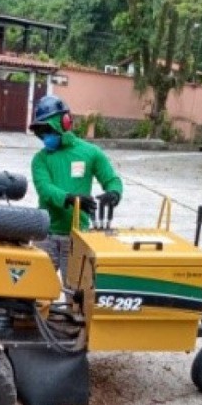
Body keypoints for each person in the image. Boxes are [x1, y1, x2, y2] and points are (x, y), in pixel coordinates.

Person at [29, 95, 123, 281]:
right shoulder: (40, 159)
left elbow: (112, 179)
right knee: (34, 292)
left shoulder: (90, 153)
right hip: (45, 235)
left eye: (47, 130)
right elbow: (45, 190)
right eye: (40, 133)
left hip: (77, 237)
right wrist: (70, 198)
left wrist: (114, 193)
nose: (44, 137)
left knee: (76, 295)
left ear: (64, 123)